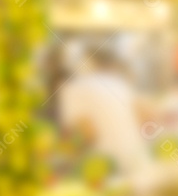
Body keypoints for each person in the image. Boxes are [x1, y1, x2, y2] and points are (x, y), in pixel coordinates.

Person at [59, 46, 151, 177]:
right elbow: (145, 118)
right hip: (138, 161)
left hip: (105, 169)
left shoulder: (75, 89)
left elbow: (87, 133)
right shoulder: (120, 84)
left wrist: (69, 162)